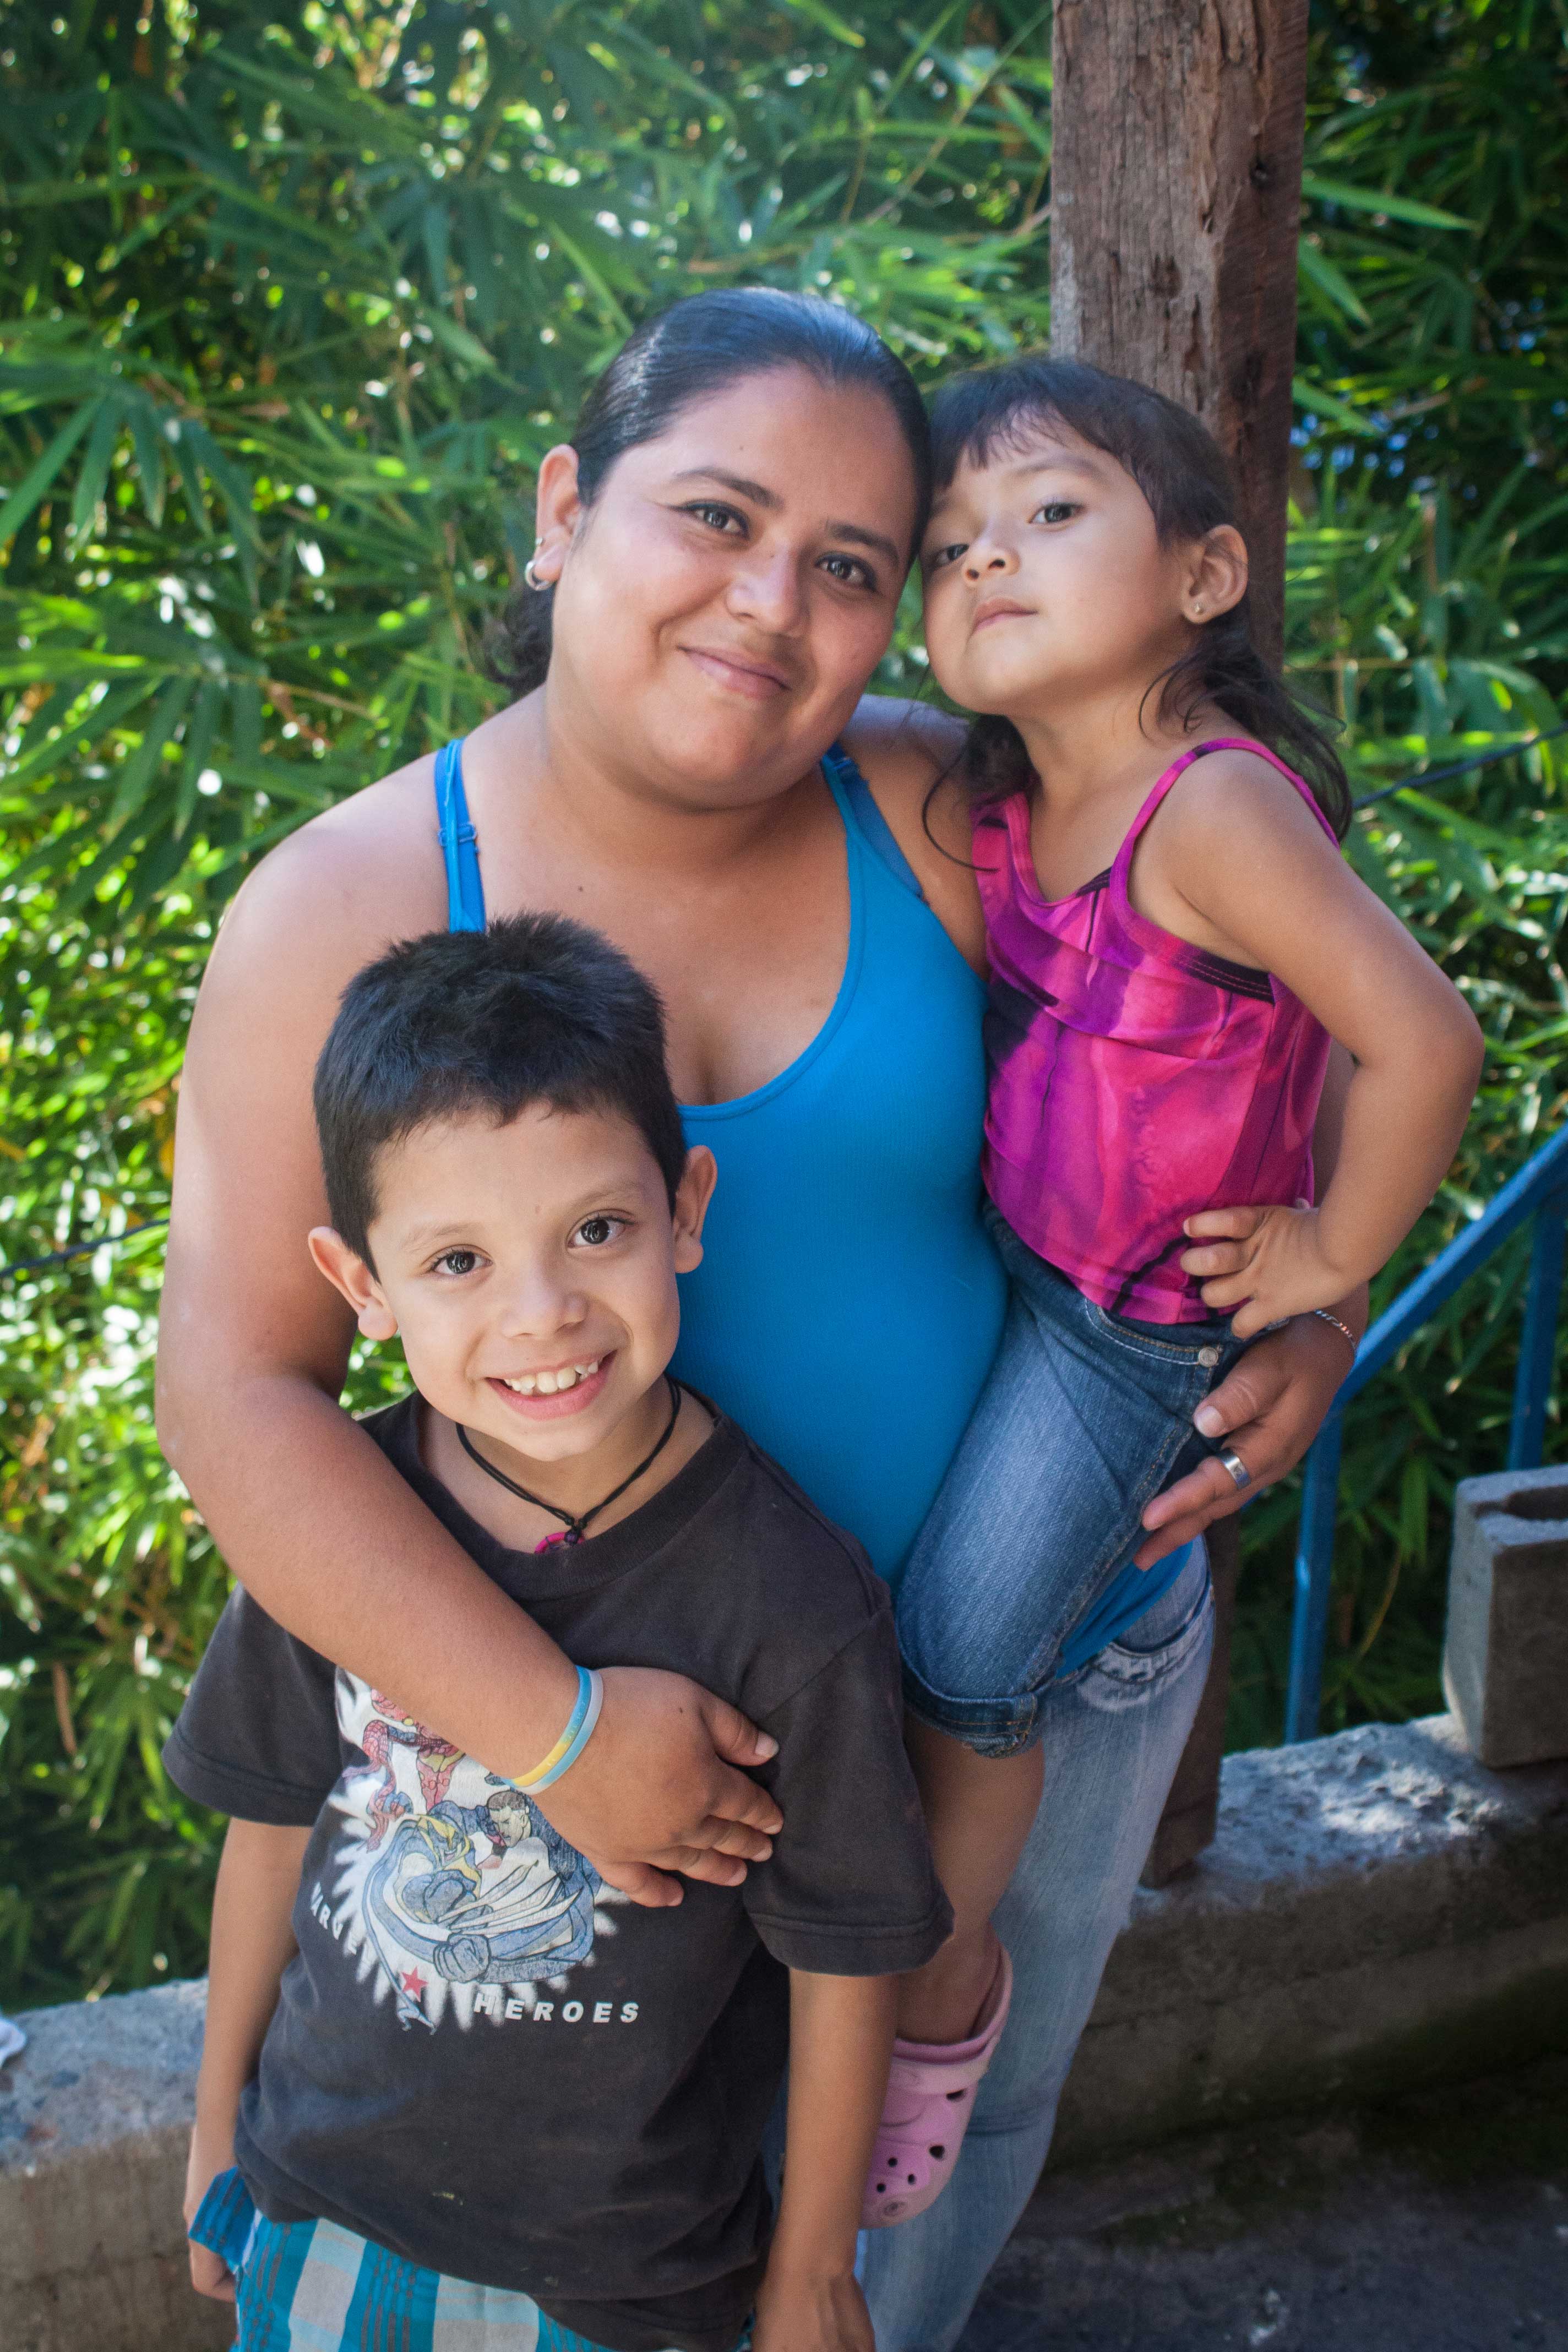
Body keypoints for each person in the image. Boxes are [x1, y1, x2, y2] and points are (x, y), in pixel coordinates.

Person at [155, 287, 1366, 2350]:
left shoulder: (940, 815)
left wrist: (1313, 1304)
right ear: (563, 511)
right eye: (713, 518)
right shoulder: (349, 903)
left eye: (849, 570)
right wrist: (553, 1739)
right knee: (635, 2265)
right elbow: (238, 1392)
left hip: (1033, 1693)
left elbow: (1268, 993)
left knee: (928, 2209)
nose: (769, 607)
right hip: (634, 1769)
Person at [859, 358, 1485, 2225]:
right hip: (1016, 1271)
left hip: (1132, 1322)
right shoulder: (1000, 801)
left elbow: (1424, 1040)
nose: (988, 562)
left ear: (1207, 576)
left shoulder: (1206, 812)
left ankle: (944, 1978)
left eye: (1051, 515)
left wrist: (1325, 1267)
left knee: (970, 1652)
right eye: (951, 544)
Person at [172, 912, 950, 2352]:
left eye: (597, 1230)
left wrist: (813, 2270)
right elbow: (270, 1826)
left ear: (686, 1206)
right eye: (456, 1262)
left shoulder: (790, 1601)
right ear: (362, 1286)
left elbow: (847, 1954)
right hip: (321, 2203)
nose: (542, 1317)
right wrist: (218, 2125)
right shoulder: (342, 1525)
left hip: (625, 2277)